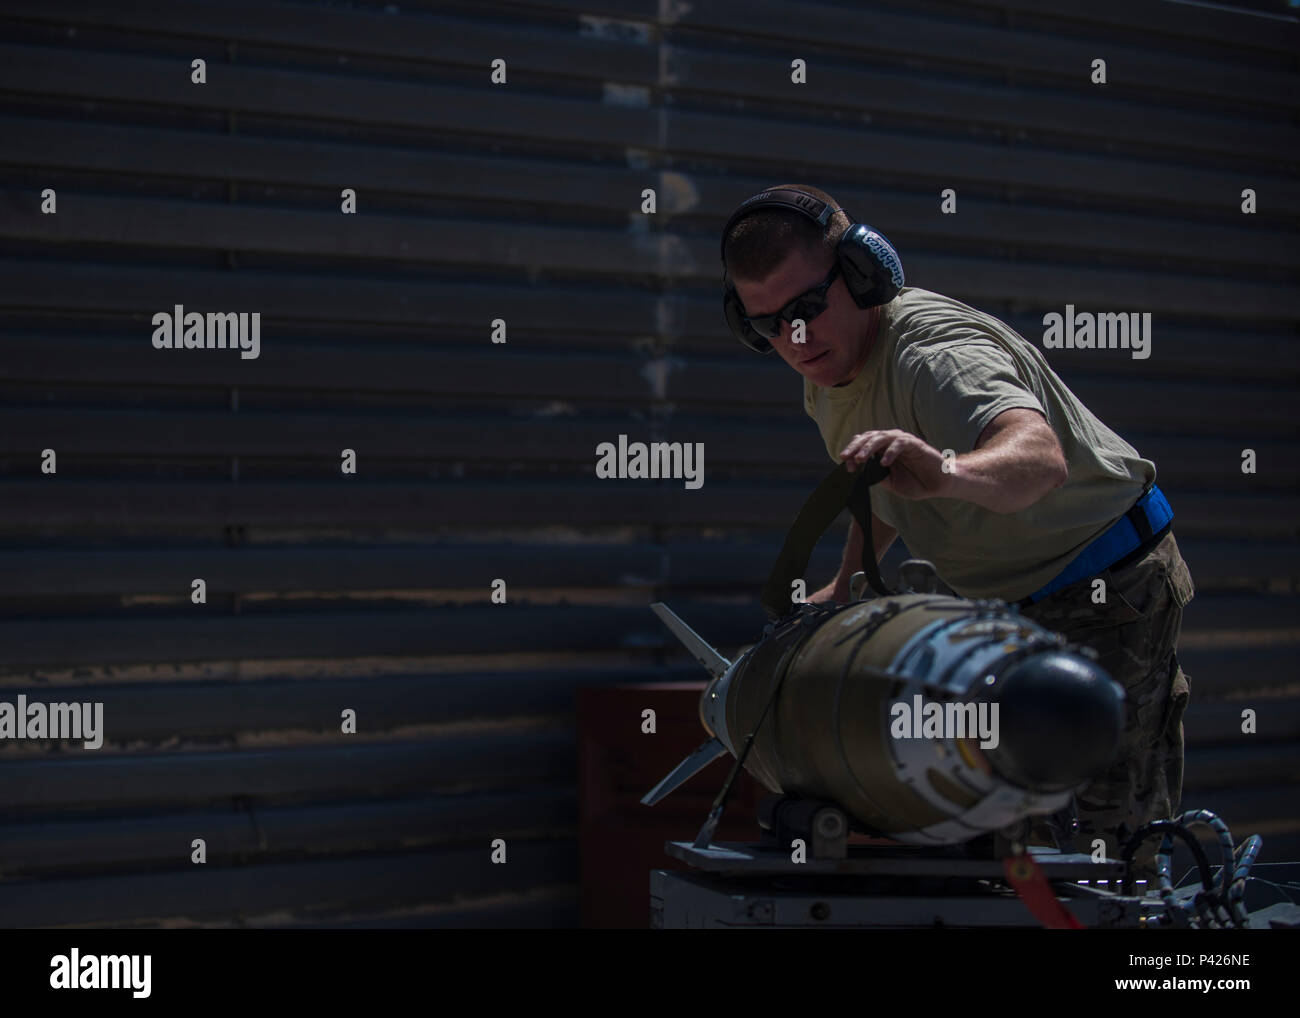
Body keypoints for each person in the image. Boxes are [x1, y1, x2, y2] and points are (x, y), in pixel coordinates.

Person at [721, 183, 1195, 880]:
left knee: (1111, 855)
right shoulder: (827, 371)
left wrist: (943, 471)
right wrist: (843, 586)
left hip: (1108, 588)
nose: (794, 339)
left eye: (806, 308)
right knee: (1010, 841)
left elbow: (1039, 461)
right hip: (1008, 611)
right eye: (768, 325)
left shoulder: (935, 358)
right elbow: (884, 491)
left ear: (862, 273)